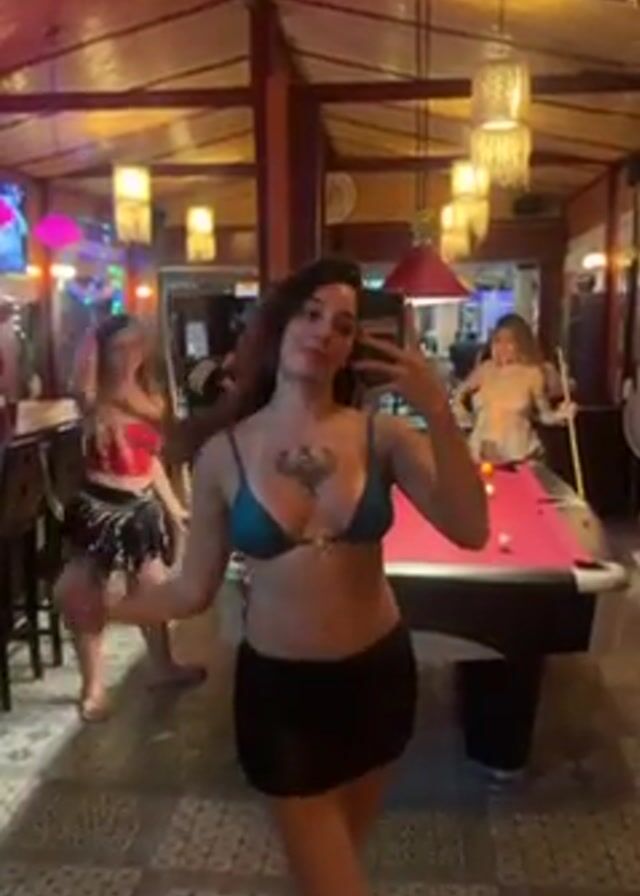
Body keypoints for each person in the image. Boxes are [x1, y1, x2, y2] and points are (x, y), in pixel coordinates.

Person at [62, 258, 488, 896]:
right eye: (311, 313)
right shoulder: (223, 453)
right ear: (281, 324)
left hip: (379, 679)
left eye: (343, 325)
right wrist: (108, 610)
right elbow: (192, 590)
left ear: (351, 348)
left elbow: (470, 527)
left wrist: (438, 409)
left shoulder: (384, 436)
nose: (325, 331)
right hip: (281, 698)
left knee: (332, 867)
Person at [55, 314, 205, 722]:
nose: (127, 356)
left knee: (154, 589)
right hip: (98, 506)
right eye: (118, 348)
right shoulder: (92, 394)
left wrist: (174, 507)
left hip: (141, 506)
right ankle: (93, 687)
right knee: (84, 594)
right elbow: (81, 382)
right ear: (102, 352)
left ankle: (163, 666)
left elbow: (151, 459)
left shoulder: (151, 394)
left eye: (135, 347)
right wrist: (93, 333)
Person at [453, 312, 575, 464]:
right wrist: (464, 419)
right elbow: (458, 395)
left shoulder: (533, 373)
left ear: (521, 344)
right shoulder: (485, 369)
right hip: (479, 457)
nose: (502, 347)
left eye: (509, 341)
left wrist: (562, 414)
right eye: (497, 341)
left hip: (517, 458)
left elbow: (545, 415)